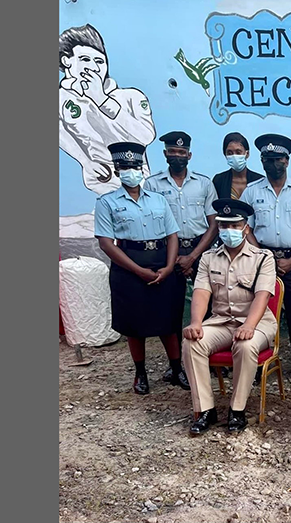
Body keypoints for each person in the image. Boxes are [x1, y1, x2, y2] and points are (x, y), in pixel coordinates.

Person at [93, 142, 189, 394]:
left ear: (142, 169)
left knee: (168, 321)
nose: (130, 171)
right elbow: (106, 243)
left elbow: (172, 235)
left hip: (161, 262)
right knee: (134, 325)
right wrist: (138, 270)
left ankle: (176, 369)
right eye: (124, 167)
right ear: (116, 171)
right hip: (128, 266)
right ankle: (141, 373)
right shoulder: (107, 202)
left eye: (135, 166)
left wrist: (169, 267)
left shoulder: (158, 200)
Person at [181, 198, 278, 435]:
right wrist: (196, 322)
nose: (229, 231)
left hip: (258, 323)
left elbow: (263, 296)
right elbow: (202, 293)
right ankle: (205, 409)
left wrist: (249, 325)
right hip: (221, 321)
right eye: (224, 226)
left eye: (235, 226)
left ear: (245, 227)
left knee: (245, 345)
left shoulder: (263, 258)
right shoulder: (208, 258)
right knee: (193, 341)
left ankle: (237, 409)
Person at [240, 134, 291, 384]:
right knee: (259, 312)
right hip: (262, 259)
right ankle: (256, 362)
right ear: (261, 161)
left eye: (277, 159)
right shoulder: (252, 192)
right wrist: (263, 255)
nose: (272, 164)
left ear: (286, 161)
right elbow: (245, 227)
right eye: (267, 159)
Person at [144, 131, 218, 382]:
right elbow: (152, 223)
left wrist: (194, 256)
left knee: (208, 307)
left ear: (189, 154)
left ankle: (209, 358)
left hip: (200, 250)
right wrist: (176, 258)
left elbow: (213, 224)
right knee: (171, 309)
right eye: (172, 152)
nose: (177, 156)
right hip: (169, 254)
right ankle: (176, 365)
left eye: (181, 152)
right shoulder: (153, 185)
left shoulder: (204, 183)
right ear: (165, 154)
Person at [59, 24, 156, 195]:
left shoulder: (131, 96)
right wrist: (85, 162)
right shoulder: (63, 99)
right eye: (85, 60)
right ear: (67, 61)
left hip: (138, 181)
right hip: (99, 183)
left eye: (99, 61)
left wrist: (102, 100)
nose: (94, 68)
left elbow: (147, 135)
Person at [212, 132, 264, 199]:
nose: (234, 156)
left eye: (238, 152)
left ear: (247, 154)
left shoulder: (259, 181)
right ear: (225, 155)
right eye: (229, 153)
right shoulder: (219, 181)